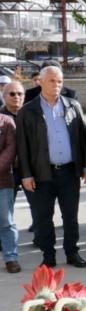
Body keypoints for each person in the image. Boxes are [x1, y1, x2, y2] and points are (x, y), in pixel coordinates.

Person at [17, 66, 86, 268]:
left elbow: (82, 139)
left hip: (68, 171)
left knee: (70, 216)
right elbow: (22, 147)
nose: (56, 85)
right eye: (52, 81)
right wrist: (26, 174)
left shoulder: (73, 106)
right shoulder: (28, 110)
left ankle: (72, 253)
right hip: (42, 173)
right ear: (40, 81)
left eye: (59, 81)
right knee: (43, 218)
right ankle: (48, 256)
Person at [0, 93, 16, 273]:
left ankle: (11, 258)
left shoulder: (6, 122)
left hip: (2, 181)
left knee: (6, 222)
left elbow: (10, 150)